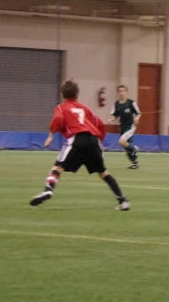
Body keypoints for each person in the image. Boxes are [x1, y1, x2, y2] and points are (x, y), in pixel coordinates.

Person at [30, 79, 130, 211]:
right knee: (103, 172)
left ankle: (48, 190)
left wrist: (51, 135)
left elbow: (58, 119)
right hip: (93, 140)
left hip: (77, 139)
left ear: (62, 95)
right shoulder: (84, 108)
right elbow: (99, 123)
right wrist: (98, 140)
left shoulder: (61, 107)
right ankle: (123, 201)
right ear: (77, 95)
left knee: (58, 167)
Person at [108, 85, 140, 169]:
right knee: (126, 148)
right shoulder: (117, 104)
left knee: (121, 142)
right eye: (120, 91)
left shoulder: (131, 103)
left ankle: (134, 148)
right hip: (122, 127)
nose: (122, 93)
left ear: (126, 92)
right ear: (118, 93)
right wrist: (111, 119)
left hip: (130, 126)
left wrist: (136, 118)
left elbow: (139, 113)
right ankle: (135, 163)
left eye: (123, 91)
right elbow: (115, 115)